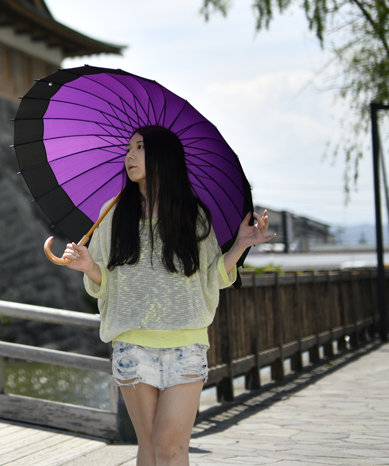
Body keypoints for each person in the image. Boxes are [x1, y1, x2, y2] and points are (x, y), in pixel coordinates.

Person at [61, 125, 274, 466]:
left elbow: (211, 277)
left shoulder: (194, 215)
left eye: (140, 147)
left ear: (164, 157)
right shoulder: (112, 214)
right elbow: (108, 281)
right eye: (129, 149)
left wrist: (241, 244)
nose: (129, 155)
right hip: (132, 345)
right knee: (149, 447)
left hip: (186, 347)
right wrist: (89, 266)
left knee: (170, 446)